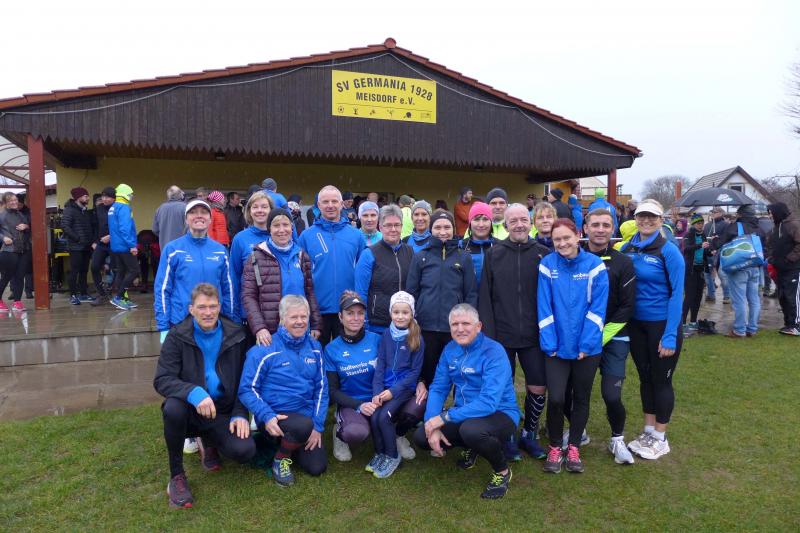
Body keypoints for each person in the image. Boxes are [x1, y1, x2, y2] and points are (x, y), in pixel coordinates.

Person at [153, 283, 255, 509]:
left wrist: (240, 412)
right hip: (190, 410)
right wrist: (193, 392)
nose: (208, 312)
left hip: (222, 410)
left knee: (245, 451)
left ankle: (209, 442)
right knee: (172, 408)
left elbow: (245, 380)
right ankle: (176, 476)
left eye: (212, 306)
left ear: (219, 307)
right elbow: (162, 379)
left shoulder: (237, 334)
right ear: (191, 309)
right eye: (201, 307)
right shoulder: (177, 336)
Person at [413, 304, 520, 500]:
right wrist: (431, 422)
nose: (460, 329)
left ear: (478, 326)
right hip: (465, 413)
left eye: (466, 323)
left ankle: (502, 472)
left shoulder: (494, 351)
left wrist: (444, 417)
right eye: (455, 324)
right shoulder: (450, 349)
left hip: (501, 413)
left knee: (471, 431)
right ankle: (473, 447)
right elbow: (438, 388)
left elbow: (488, 402)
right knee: (422, 437)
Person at [479, 203, 551, 461]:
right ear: (506, 224)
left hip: (535, 335)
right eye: (514, 221)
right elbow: (484, 297)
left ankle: (530, 433)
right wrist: (489, 335)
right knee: (503, 387)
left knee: (538, 386)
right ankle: (507, 435)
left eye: (523, 219)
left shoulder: (544, 254)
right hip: (502, 335)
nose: (519, 225)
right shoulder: (494, 254)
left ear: (530, 222)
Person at [538, 218, 608, 473]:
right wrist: (550, 343)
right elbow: (544, 305)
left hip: (587, 349)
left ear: (578, 235)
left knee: (581, 397)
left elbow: (598, 308)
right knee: (556, 399)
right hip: (556, 348)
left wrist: (586, 344)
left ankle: (575, 445)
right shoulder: (547, 264)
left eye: (566, 238)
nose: (562, 243)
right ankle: (555, 447)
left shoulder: (595, 265)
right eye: (557, 239)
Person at [238, 295, 329, 487]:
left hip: (305, 419)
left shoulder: (315, 347)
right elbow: (246, 389)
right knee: (302, 426)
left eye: (303, 317)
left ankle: (286, 443)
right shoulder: (264, 348)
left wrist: (318, 426)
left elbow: (322, 388)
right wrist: (266, 415)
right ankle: (280, 458)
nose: (300, 321)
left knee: (317, 467)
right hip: (274, 417)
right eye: (294, 317)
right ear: (282, 319)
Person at [620, 199, 684, 460]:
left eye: (652, 217)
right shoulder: (627, 247)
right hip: (636, 325)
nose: (646, 221)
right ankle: (648, 431)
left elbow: (678, 294)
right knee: (645, 378)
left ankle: (660, 437)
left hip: (661, 325)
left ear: (661, 220)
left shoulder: (669, 251)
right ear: (635, 218)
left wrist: (670, 335)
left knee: (661, 381)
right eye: (642, 216)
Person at [407, 209, 477, 412]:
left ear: (453, 229)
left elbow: (470, 293)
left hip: (454, 328)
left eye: (447, 227)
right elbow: (412, 292)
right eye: (438, 227)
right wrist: (413, 319)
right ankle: (425, 412)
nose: (442, 231)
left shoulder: (464, 258)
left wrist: (467, 324)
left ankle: (459, 412)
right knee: (427, 371)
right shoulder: (421, 257)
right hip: (427, 326)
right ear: (431, 230)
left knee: (458, 371)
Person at [582, 208, 637, 464]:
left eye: (606, 225)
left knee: (611, 394)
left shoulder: (623, 262)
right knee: (576, 391)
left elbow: (627, 306)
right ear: (585, 228)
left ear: (613, 229)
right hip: (583, 338)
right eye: (595, 225)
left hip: (613, 337)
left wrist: (600, 336)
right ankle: (579, 432)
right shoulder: (576, 259)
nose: (600, 229)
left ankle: (617, 438)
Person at [154, 199, 235, 341]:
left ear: (210, 219)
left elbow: (228, 289)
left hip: (212, 321)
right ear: (186, 219)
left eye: (204, 212)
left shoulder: (220, 250)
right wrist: (163, 326)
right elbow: (162, 289)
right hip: (181, 322)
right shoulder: (173, 249)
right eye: (193, 212)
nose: (199, 216)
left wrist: (229, 320)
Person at [240, 208, 322, 345]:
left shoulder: (301, 256)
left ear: (291, 227)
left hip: (300, 329)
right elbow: (248, 296)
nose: (281, 230)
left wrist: (315, 324)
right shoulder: (255, 258)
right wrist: (260, 328)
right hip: (271, 333)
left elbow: (309, 292)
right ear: (269, 229)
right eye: (276, 225)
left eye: (285, 225)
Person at [298, 186, 366, 346]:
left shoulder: (356, 235)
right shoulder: (306, 236)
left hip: (348, 308)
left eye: (334, 201)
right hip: (317, 310)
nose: (330, 205)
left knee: (346, 355)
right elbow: (300, 275)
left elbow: (362, 273)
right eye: (325, 202)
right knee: (317, 354)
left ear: (342, 204)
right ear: (318, 205)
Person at [368, 291, 424, 478]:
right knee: (375, 416)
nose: (400, 316)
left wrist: (393, 391)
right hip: (384, 388)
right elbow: (381, 365)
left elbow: (414, 373)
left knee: (384, 417)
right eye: (396, 312)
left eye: (405, 312)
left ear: (412, 314)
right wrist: (377, 392)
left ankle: (392, 456)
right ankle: (380, 453)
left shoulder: (416, 338)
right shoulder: (386, 334)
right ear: (391, 313)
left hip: (403, 389)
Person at [324, 292, 382, 462]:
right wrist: (359, 405)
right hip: (351, 404)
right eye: (350, 313)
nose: (356, 318)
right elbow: (332, 391)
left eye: (360, 313)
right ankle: (339, 433)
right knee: (356, 433)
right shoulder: (332, 349)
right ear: (340, 317)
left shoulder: (377, 340)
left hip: (378, 400)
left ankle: (397, 436)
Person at [354, 205, 413, 334]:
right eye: (388, 225)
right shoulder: (369, 254)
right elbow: (361, 292)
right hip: (377, 325)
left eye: (397, 225)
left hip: (405, 325)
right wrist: (364, 322)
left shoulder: (410, 252)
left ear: (402, 226)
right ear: (380, 227)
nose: (393, 229)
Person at [717, 204, 767, 338]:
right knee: (754, 299)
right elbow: (765, 248)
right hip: (755, 268)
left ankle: (739, 330)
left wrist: (713, 242)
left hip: (739, 268)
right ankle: (752, 328)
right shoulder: (759, 228)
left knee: (739, 300)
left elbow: (721, 242)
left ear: (740, 214)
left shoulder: (735, 227)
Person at [229, 191, 274, 327]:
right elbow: (234, 276)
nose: (260, 210)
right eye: (255, 207)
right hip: (249, 311)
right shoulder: (240, 239)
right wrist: (236, 312)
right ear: (249, 211)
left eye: (264, 207)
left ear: (271, 210)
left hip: (277, 311)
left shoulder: (279, 235)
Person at [767, 202, 800, 335]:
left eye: (771, 213)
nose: (769, 216)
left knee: (793, 297)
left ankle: (797, 326)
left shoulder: (794, 225)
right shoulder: (776, 227)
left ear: (778, 212)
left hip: (794, 268)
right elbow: (771, 245)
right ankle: (789, 324)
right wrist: (772, 258)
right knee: (783, 297)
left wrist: (789, 258)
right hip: (780, 268)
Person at [107, 184, 140, 311]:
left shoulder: (113, 207)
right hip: (125, 245)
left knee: (121, 271)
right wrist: (132, 245)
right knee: (134, 270)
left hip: (116, 245)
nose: (132, 196)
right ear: (125, 194)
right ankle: (119, 297)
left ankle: (123, 299)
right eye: (131, 194)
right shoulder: (124, 207)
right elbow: (125, 229)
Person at [61, 187, 95, 305]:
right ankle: (73, 295)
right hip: (75, 247)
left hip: (86, 246)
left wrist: (89, 241)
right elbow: (65, 226)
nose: (88, 198)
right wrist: (77, 238)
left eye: (88, 196)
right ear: (78, 197)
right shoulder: (69, 210)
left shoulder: (84, 211)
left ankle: (84, 293)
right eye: (85, 196)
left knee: (84, 271)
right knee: (74, 271)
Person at [0, 192, 31, 312]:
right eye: (11, 200)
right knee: (6, 277)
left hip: (23, 250)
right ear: (6, 203)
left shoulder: (20, 214)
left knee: (20, 276)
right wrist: (3, 238)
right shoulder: (2, 215)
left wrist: (26, 226)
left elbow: (27, 229)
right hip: (9, 250)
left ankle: (17, 302)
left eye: (15, 200)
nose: (14, 202)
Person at [89, 187, 117, 306]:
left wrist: (111, 236)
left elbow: (122, 226)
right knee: (94, 266)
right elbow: (95, 226)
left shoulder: (118, 208)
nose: (104, 199)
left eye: (107, 197)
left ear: (114, 198)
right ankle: (102, 294)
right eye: (103, 197)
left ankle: (113, 292)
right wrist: (94, 241)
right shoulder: (99, 209)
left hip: (115, 243)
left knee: (115, 268)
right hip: (101, 243)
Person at [682, 214, 710, 331]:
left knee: (698, 297)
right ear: (693, 224)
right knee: (689, 296)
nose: (701, 225)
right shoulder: (688, 234)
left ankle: (693, 322)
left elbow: (704, 251)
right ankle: (682, 323)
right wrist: (700, 245)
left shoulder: (703, 234)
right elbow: (686, 249)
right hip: (690, 270)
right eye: (698, 223)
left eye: (702, 223)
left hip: (700, 269)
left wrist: (710, 251)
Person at [460, 202, 495, 287]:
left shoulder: (500, 246)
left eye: (485, 219)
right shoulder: (460, 246)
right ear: (470, 223)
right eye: (476, 219)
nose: (481, 224)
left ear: (491, 223)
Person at [703, 207, 730, 303]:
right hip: (708, 252)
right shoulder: (707, 225)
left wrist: (717, 246)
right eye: (712, 212)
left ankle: (727, 295)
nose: (713, 213)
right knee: (707, 275)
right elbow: (704, 238)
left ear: (721, 213)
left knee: (722, 275)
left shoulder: (726, 225)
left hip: (720, 252)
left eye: (715, 212)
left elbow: (726, 239)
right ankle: (711, 295)